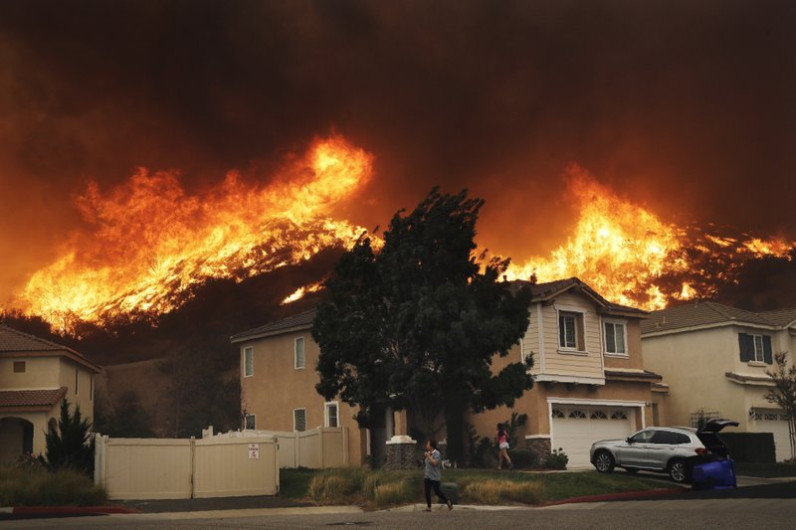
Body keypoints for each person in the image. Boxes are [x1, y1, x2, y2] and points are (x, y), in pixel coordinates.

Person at [423, 439, 453, 511]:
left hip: (435, 476)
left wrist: (428, 456)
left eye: (428, 444)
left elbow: (435, 463)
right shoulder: (428, 453)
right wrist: (427, 456)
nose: (426, 445)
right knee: (427, 491)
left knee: (437, 491)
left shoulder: (437, 453)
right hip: (427, 476)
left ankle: (447, 501)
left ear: (431, 446)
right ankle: (429, 507)